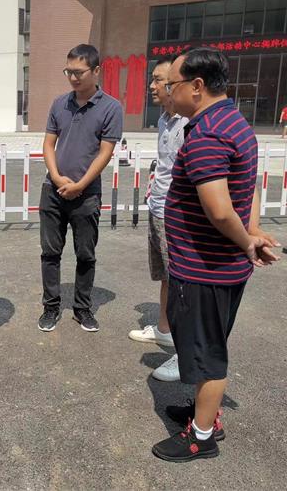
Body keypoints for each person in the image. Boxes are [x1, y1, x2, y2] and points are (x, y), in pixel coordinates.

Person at [152, 47, 278, 462]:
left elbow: (220, 209)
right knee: (209, 343)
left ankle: (202, 436)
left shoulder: (207, 134)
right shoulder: (235, 123)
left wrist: (246, 241)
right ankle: (203, 414)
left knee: (206, 353)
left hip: (205, 268)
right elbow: (249, 187)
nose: (167, 91)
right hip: (222, 267)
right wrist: (252, 232)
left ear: (196, 86)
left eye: (172, 84)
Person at [38, 44, 123, 333]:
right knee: (50, 253)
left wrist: (80, 185)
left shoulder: (111, 107)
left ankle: (82, 308)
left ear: (96, 70)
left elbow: (105, 153)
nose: (73, 78)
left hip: (86, 194)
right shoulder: (59, 104)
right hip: (53, 190)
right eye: (68, 72)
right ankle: (51, 306)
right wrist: (56, 177)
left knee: (85, 254)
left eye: (79, 72)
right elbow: (48, 143)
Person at [128, 56, 187, 382]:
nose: (151, 86)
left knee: (182, 282)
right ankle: (165, 330)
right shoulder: (164, 120)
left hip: (178, 215)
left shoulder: (189, 123)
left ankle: (186, 351)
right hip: (158, 208)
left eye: (158, 80)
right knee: (166, 275)